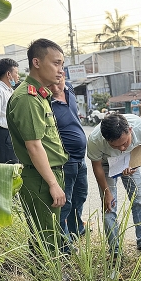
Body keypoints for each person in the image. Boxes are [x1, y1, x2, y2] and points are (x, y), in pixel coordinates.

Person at [6, 38, 68, 251]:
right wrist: (52, 183)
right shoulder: (27, 98)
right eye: (56, 63)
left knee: (50, 235)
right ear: (37, 62)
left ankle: (51, 278)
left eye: (62, 64)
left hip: (47, 174)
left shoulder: (40, 95)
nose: (61, 70)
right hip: (41, 178)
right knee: (46, 240)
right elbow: (34, 146)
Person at [87, 113, 141, 257]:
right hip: (106, 165)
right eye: (116, 146)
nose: (122, 148)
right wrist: (107, 192)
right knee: (109, 207)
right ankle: (115, 250)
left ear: (130, 130)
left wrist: (135, 163)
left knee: (139, 200)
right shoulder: (95, 140)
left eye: (125, 143)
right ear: (106, 140)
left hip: (131, 162)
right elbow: (97, 166)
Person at [49, 73, 88, 240]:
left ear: (63, 76)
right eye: (51, 84)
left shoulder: (70, 89)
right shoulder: (46, 102)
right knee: (65, 202)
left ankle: (76, 229)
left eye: (59, 82)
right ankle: (64, 241)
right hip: (66, 160)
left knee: (81, 195)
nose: (56, 87)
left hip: (81, 158)